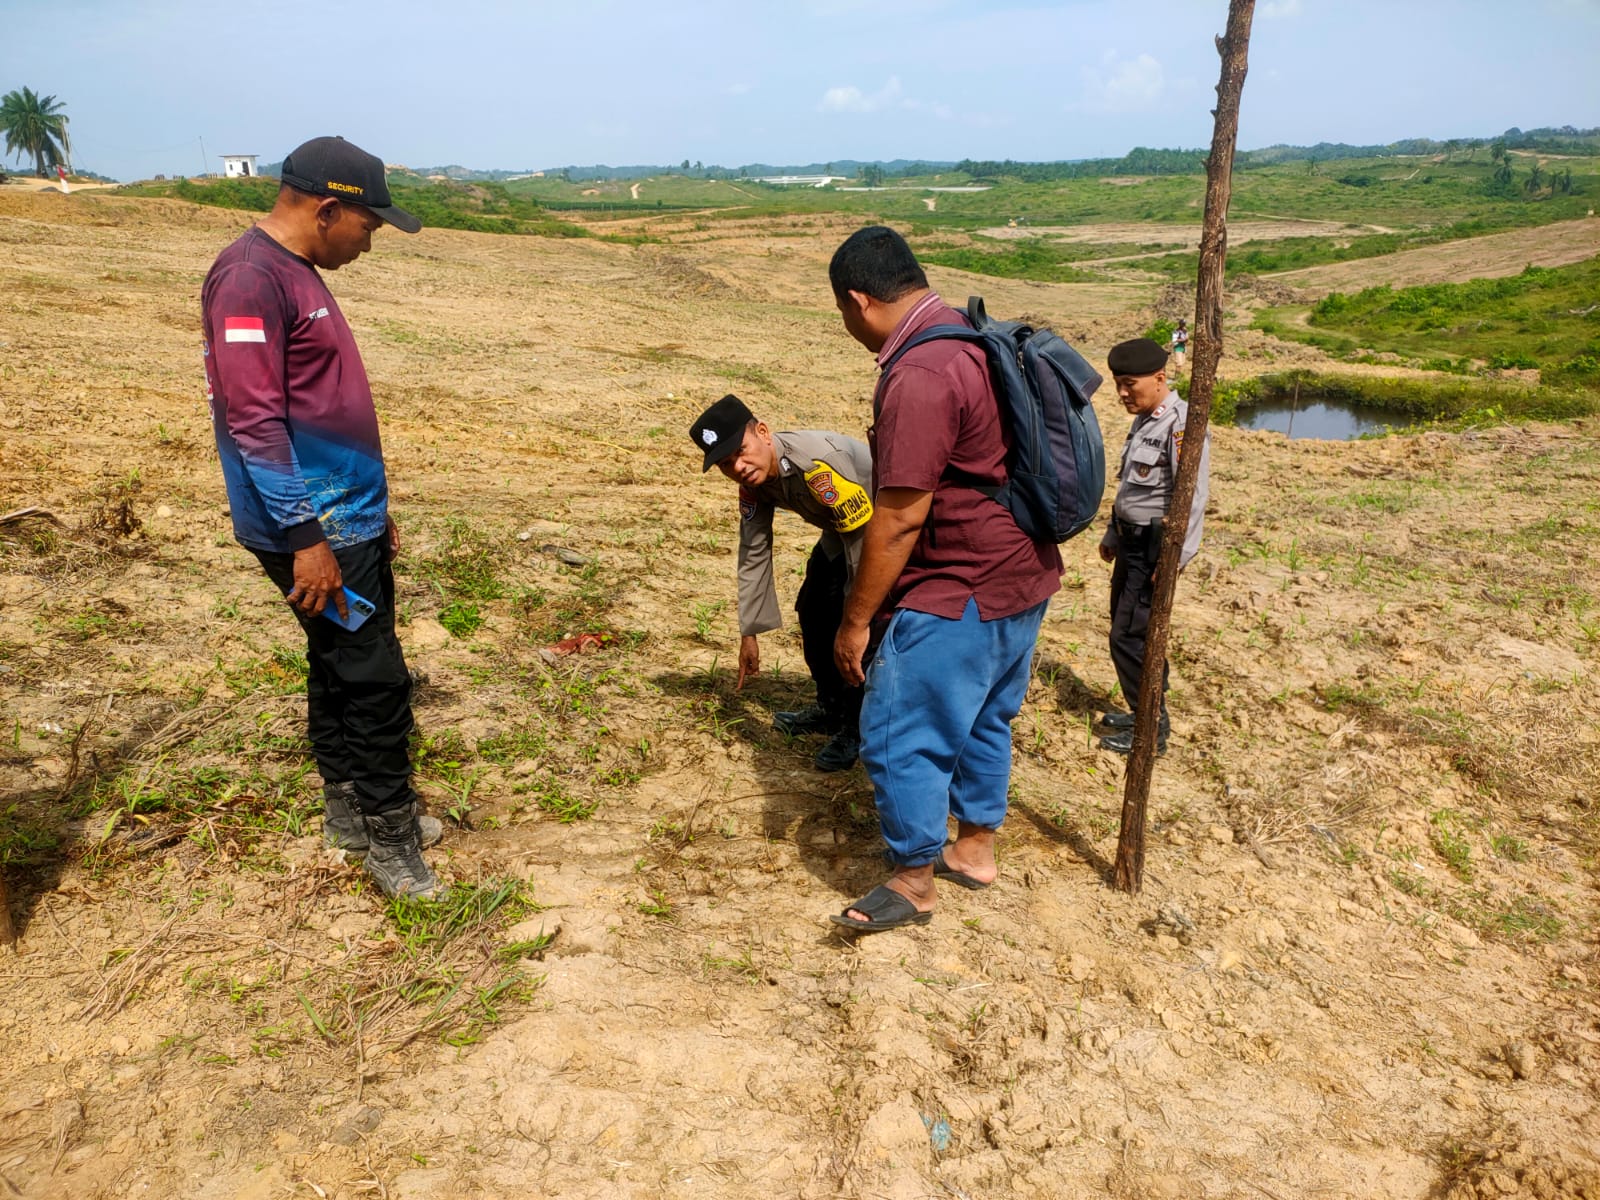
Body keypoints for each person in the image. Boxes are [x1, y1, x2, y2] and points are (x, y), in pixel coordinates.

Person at [200, 135, 443, 900]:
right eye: (368, 227)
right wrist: (308, 540)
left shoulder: (292, 270)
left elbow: (320, 409)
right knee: (373, 676)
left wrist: (374, 509)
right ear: (328, 208)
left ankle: (349, 809)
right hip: (317, 530)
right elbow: (254, 420)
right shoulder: (249, 278)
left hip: (348, 520)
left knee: (340, 663)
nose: (368, 242)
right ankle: (389, 834)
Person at [827, 226, 1061, 934]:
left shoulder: (920, 373)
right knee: (987, 714)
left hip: (959, 583)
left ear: (858, 301)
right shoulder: (970, 333)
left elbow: (899, 517)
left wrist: (856, 619)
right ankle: (976, 849)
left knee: (903, 729)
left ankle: (914, 880)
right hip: (1025, 573)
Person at [689, 394, 874, 771]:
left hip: (882, 526)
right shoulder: (752, 482)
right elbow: (753, 551)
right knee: (813, 608)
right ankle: (831, 709)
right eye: (726, 464)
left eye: (741, 451)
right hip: (840, 530)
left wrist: (857, 620)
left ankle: (857, 729)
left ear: (763, 432)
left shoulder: (816, 464)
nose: (738, 467)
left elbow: (862, 541)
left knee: (853, 625)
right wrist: (749, 633)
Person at [1095, 337, 1210, 755]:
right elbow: (1132, 486)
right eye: (1117, 384)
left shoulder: (1181, 424)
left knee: (1130, 637)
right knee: (1128, 631)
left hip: (1152, 548)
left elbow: (1191, 495)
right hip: (1129, 544)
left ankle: (1151, 729)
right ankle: (1141, 710)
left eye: (1130, 384)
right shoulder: (1144, 418)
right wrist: (1112, 532)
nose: (1123, 393)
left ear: (1160, 378)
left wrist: (1175, 556)